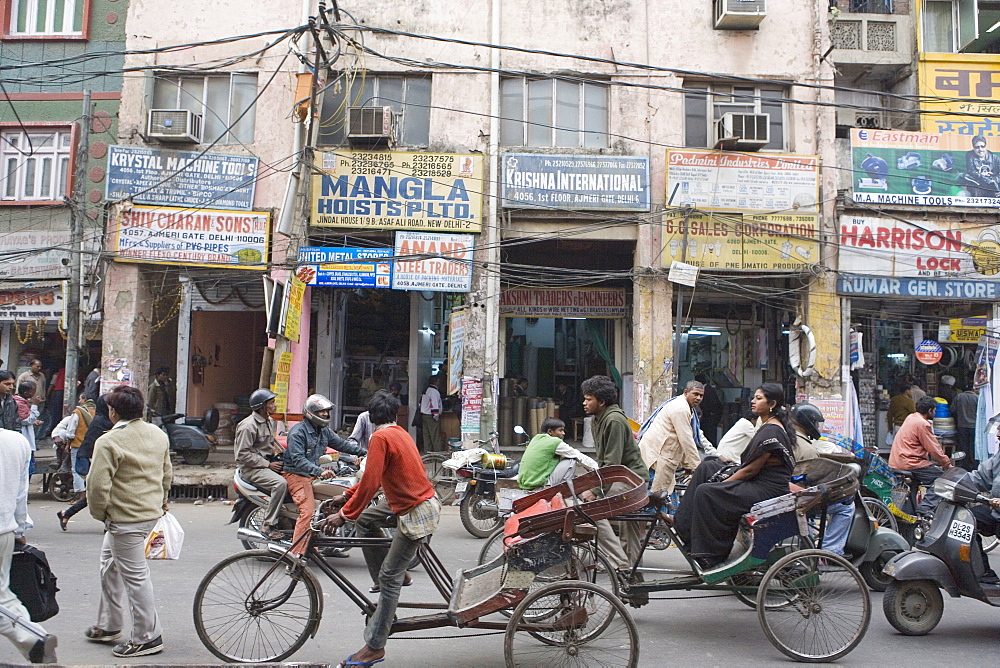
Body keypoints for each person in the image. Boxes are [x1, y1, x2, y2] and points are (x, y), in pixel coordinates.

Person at [322, 390, 441, 668]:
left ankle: (375, 646)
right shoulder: (400, 433)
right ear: (395, 414)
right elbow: (371, 479)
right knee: (366, 521)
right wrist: (347, 498)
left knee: (390, 576)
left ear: (370, 417)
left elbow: (372, 480)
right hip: (412, 501)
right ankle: (393, 579)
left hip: (415, 511)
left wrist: (343, 515)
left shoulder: (380, 437)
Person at [86, 385, 171, 658]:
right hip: (148, 514)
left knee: (136, 578)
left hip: (125, 521)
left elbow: (97, 486)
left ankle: (148, 636)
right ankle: (109, 624)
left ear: (112, 411)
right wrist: (162, 500)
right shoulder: (157, 434)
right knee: (108, 567)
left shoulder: (109, 441)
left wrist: (101, 514)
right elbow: (166, 474)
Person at [674, 383, 796, 570]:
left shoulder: (771, 430)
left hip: (766, 488)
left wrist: (723, 484)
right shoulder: (765, 425)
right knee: (707, 466)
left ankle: (711, 555)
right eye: (754, 397)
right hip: (757, 480)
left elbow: (750, 471)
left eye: (759, 398)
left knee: (707, 492)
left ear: (771, 404)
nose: (753, 402)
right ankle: (682, 523)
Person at [283, 394, 367, 556]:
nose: (326, 415)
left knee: (332, 505)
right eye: (322, 412)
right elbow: (299, 460)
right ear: (311, 413)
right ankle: (297, 554)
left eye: (327, 412)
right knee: (308, 512)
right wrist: (320, 471)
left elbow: (343, 445)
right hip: (297, 476)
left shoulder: (323, 431)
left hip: (313, 475)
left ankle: (328, 545)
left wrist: (368, 452)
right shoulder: (298, 433)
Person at [578, 375, 647, 571]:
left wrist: (596, 491)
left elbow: (612, 463)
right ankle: (633, 579)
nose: (584, 403)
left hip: (631, 480)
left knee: (591, 509)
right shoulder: (597, 419)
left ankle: (619, 562)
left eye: (588, 399)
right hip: (619, 477)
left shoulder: (614, 420)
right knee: (630, 531)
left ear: (602, 401)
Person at [0, 428, 57, 663]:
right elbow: (20, 494)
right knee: (3, 595)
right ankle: (36, 638)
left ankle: (34, 639)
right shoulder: (16, 441)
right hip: (4, 528)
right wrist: (20, 527)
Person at [789, 403, 855, 557]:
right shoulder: (807, 449)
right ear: (808, 422)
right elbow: (812, 479)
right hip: (800, 498)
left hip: (791, 493)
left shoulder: (790, 438)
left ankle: (811, 545)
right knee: (846, 507)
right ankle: (830, 551)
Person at [638, 380, 708, 496]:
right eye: (695, 394)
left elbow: (683, 439)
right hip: (657, 457)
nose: (698, 398)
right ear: (686, 392)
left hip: (663, 455)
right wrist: (697, 466)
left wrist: (688, 465)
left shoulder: (685, 407)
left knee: (667, 493)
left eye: (701, 396)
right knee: (658, 496)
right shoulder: (680, 409)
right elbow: (686, 439)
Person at [234, 388, 286, 541]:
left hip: (266, 463)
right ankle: (268, 525)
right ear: (262, 406)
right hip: (252, 469)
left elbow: (271, 444)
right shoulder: (248, 426)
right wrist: (267, 465)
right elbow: (242, 455)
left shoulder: (269, 421)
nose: (274, 405)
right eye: (271, 403)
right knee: (280, 484)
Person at [888, 395, 953, 516]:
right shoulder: (922, 424)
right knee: (943, 479)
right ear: (930, 410)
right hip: (910, 463)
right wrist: (947, 465)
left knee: (914, 486)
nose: (934, 413)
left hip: (897, 461)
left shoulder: (911, 417)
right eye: (934, 410)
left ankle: (912, 514)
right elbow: (934, 449)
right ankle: (925, 508)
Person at [57, 395, 113, 531]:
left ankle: (66, 513)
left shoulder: (107, 420)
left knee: (97, 494)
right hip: (93, 462)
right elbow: (90, 444)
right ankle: (109, 523)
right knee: (102, 494)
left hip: (103, 462)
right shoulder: (99, 422)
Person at [517, 417, 599, 490]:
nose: (563, 433)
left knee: (565, 457)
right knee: (571, 460)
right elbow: (577, 455)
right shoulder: (554, 442)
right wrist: (596, 468)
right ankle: (562, 490)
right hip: (538, 485)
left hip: (525, 484)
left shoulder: (536, 438)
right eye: (560, 430)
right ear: (550, 431)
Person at [967, 442, 1000, 583]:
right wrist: (957, 481)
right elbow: (981, 476)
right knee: (967, 520)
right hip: (996, 512)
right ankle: (984, 571)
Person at [51, 395, 95, 498]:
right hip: (91, 445)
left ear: (85, 400)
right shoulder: (96, 412)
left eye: (80, 399)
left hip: (78, 444)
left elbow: (71, 432)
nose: (79, 401)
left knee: (77, 470)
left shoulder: (78, 412)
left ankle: (81, 495)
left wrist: (68, 445)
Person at [13, 381, 40, 475]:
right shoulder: (20, 403)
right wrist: (35, 406)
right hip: (24, 436)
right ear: (26, 393)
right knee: (25, 467)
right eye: (32, 391)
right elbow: (27, 419)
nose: (34, 394)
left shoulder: (20, 401)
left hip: (23, 435)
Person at [951, 385, 979, 470]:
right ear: (974, 389)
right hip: (974, 426)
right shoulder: (977, 398)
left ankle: (964, 464)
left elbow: (952, 410)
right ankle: (973, 464)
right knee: (973, 446)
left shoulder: (959, 397)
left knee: (963, 446)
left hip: (962, 425)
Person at [694, 373, 724, 445]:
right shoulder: (706, 389)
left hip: (710, 418)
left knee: (709, 436)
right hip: (708, 417)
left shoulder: (708, 390)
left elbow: (712, 405)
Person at [418, 375, 443, 453]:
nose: (440, 383)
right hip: (431, 416)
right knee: (435, 436)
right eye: (439, 381)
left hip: (424, 414)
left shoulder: (426, 390)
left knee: (427, 436)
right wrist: (436, 416)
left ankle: (428, 453)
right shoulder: (434, 391)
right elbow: (434, 404)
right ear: (435, 382)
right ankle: (437, 453)